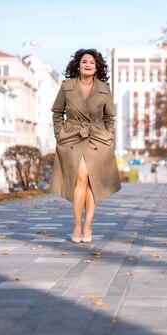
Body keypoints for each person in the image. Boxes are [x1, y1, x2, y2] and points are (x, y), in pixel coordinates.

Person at [50, 49, 121, 243]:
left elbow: (110, 117)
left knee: (92, 181)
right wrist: (60, 133)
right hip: (73, 136)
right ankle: (77, 225)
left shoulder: (104, 88)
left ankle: (88, 225)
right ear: (78, 66)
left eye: (92, 62)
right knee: (81, 177)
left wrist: (108, 136)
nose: (88, 64)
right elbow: (57, 112)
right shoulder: (67, 87)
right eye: (84, 62)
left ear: (97, 67)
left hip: (98, 138)